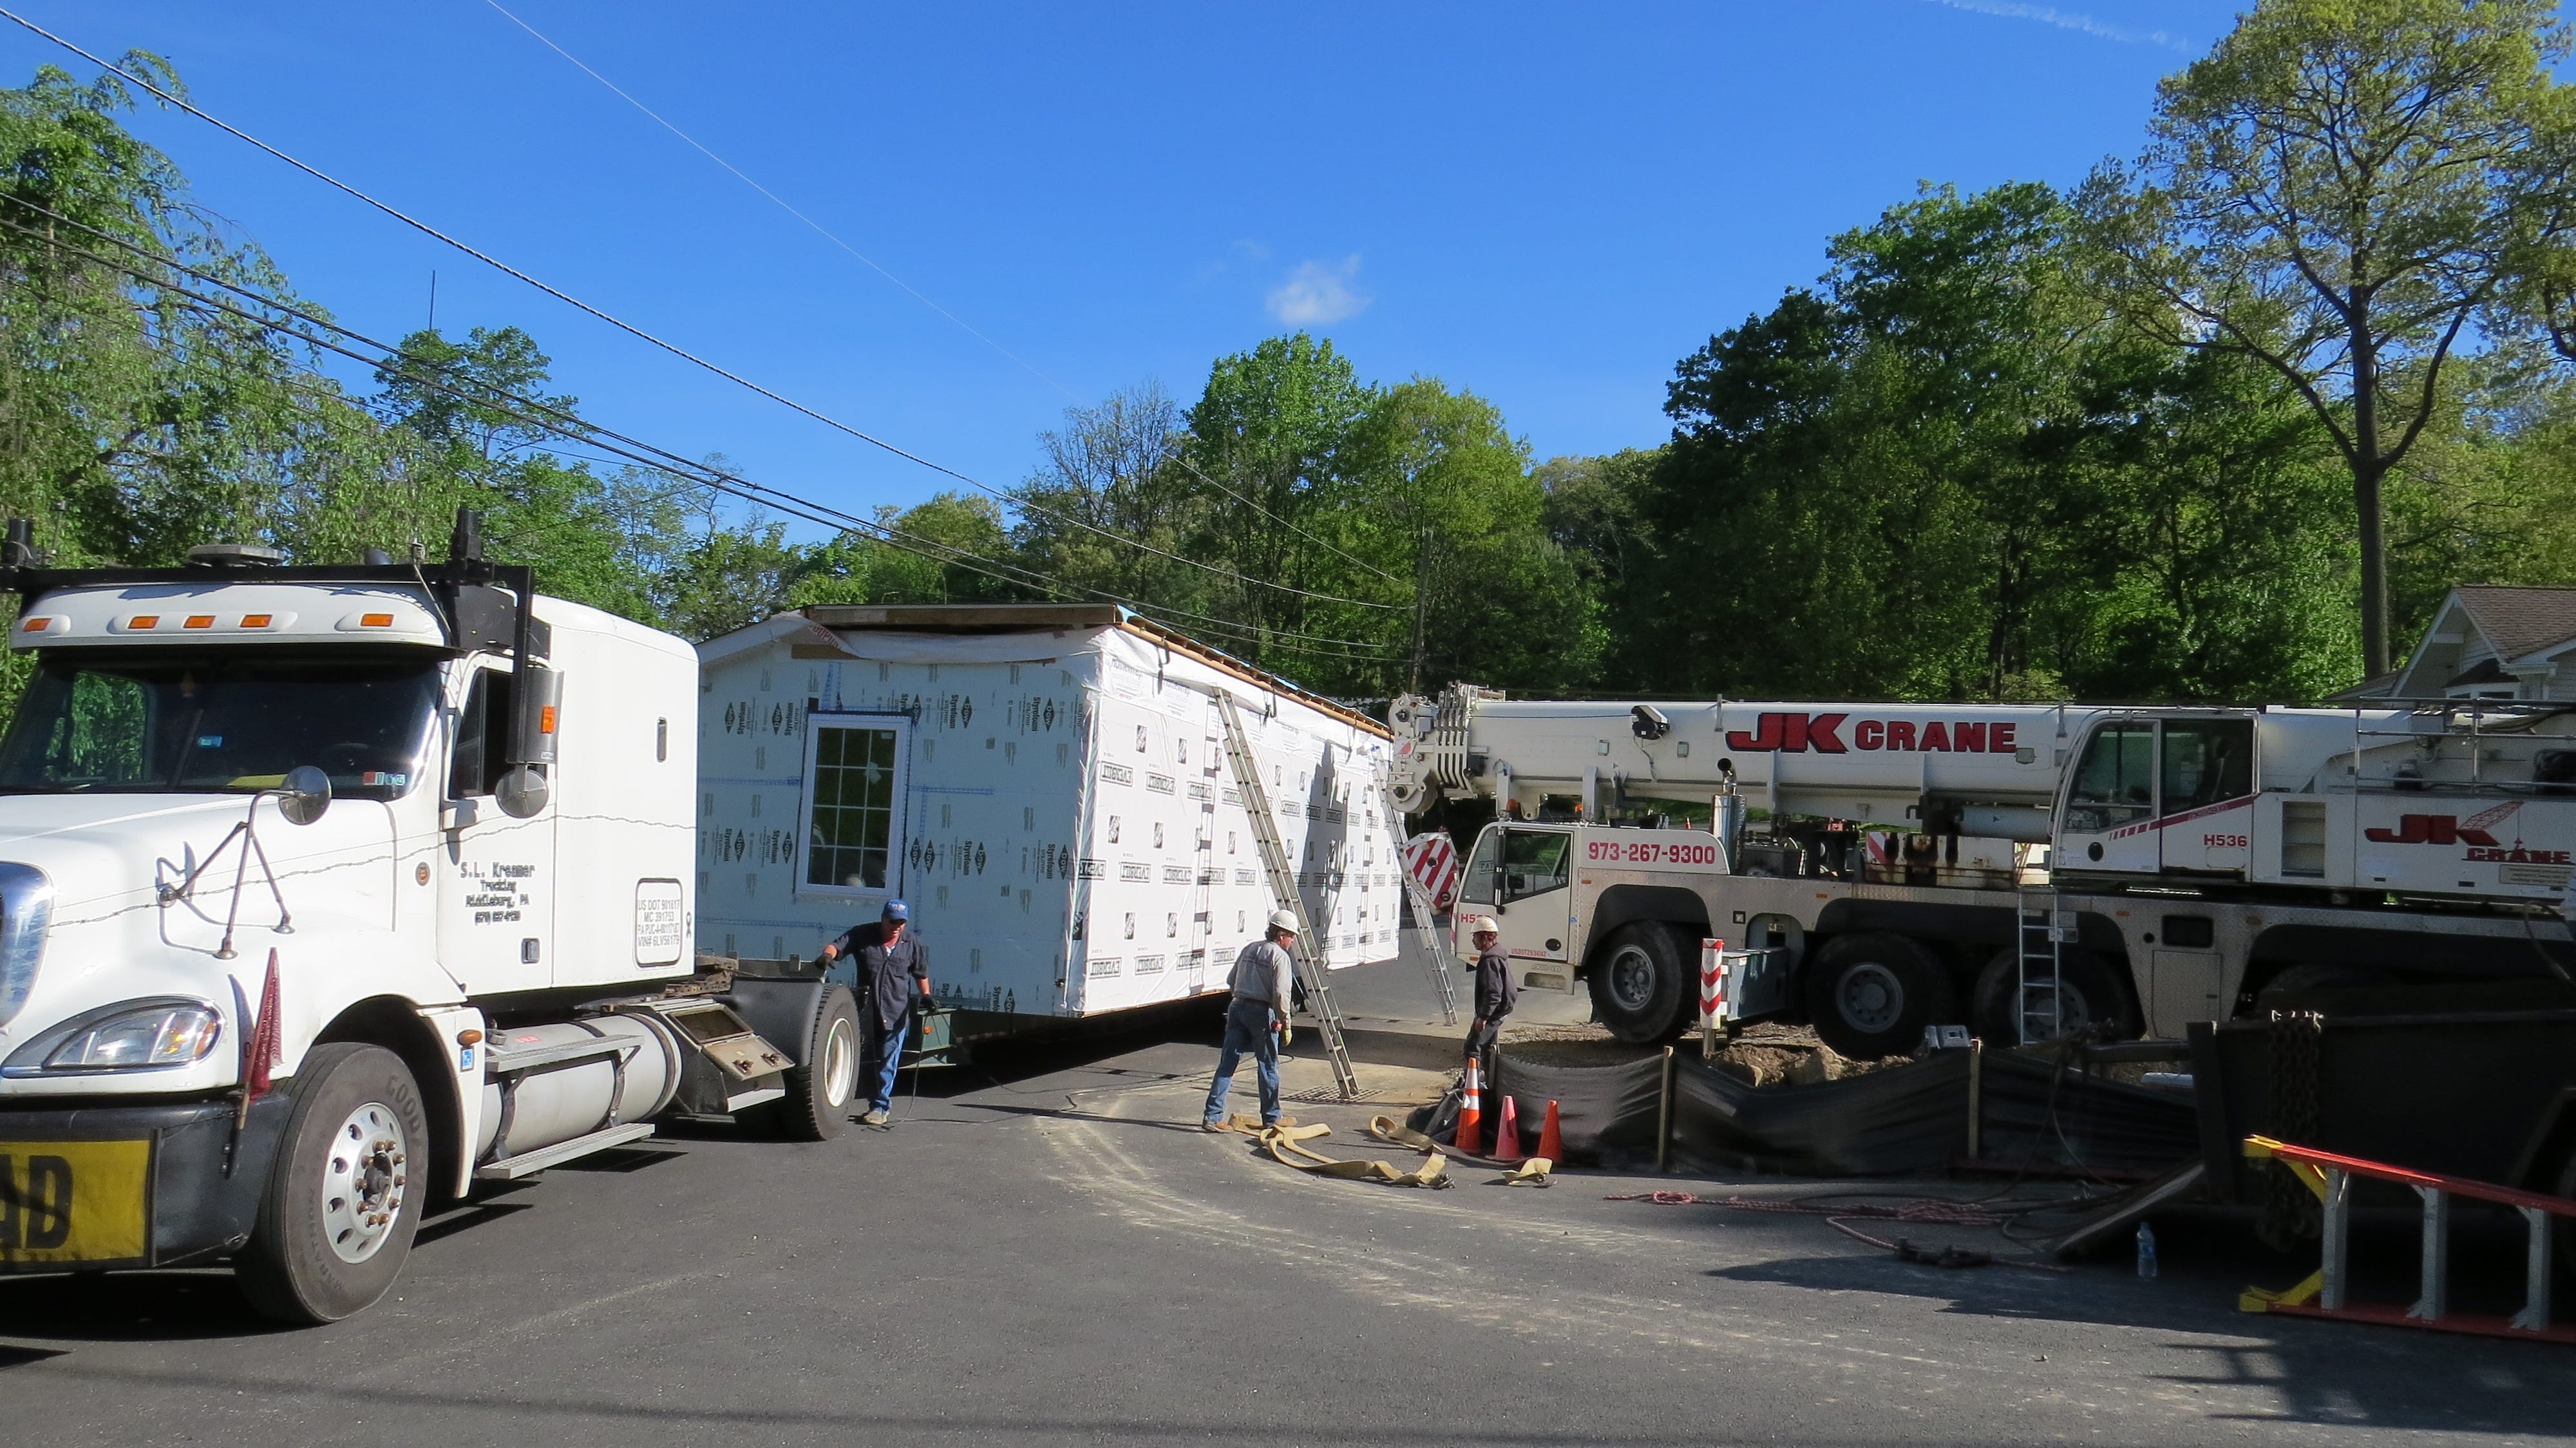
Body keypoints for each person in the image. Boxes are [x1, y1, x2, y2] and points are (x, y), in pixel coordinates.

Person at [819, 899, 931, 1126]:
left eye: (901, 922)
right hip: (866, 1011)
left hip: (896, 1011)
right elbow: (838, 946)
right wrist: (827, 957)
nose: (897, 926)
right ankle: (840, 1101)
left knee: (888, 1062)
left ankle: (880, 1108)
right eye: (893, 921)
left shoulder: (911, 943)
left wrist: (926, 996)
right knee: (860, 1060)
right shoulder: (864, 934)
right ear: (883, 918)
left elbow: (921, 973)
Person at [1201, 910, 1299, 1132]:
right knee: (1268, 1066)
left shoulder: (1250, 948)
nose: (1292, 942)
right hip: (1261, 1013)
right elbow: (1282, 994)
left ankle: (1212, 1117)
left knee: (1227, 1064)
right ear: (1281, 934)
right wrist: (1286, 1022)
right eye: (1291, 937)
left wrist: (1243, 997)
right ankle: (1272, 1118)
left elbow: (1231, 980)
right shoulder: (1280, 956)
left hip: (1237, 1007)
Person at [1464, 914, 1514, 1081]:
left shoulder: (1490, 960)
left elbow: (1493, 993)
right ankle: (1488, 1083)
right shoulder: (1496, 955)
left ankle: (1472, 1088)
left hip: (1494, 1012)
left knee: (1473, 1047)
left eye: (1476, 937)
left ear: (1487, 937)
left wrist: (1483, 1017)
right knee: (1488, 1048)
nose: (1473, 941)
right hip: (1499, 1009)